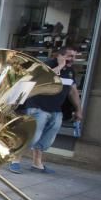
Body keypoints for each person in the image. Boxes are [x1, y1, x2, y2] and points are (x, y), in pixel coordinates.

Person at [9, 45, 83, 174]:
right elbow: (41, 79)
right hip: (38, 107)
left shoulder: (71, 71)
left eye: (75, 56)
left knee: (47, 138)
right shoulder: (46, 65)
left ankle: (37, 163)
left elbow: (73, 91)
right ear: (59, 56)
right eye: (70, 56)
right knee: (32, 135)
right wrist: (60, 66)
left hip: (56, 109)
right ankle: (15, 160)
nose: (73, 59)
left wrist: (78, 109)